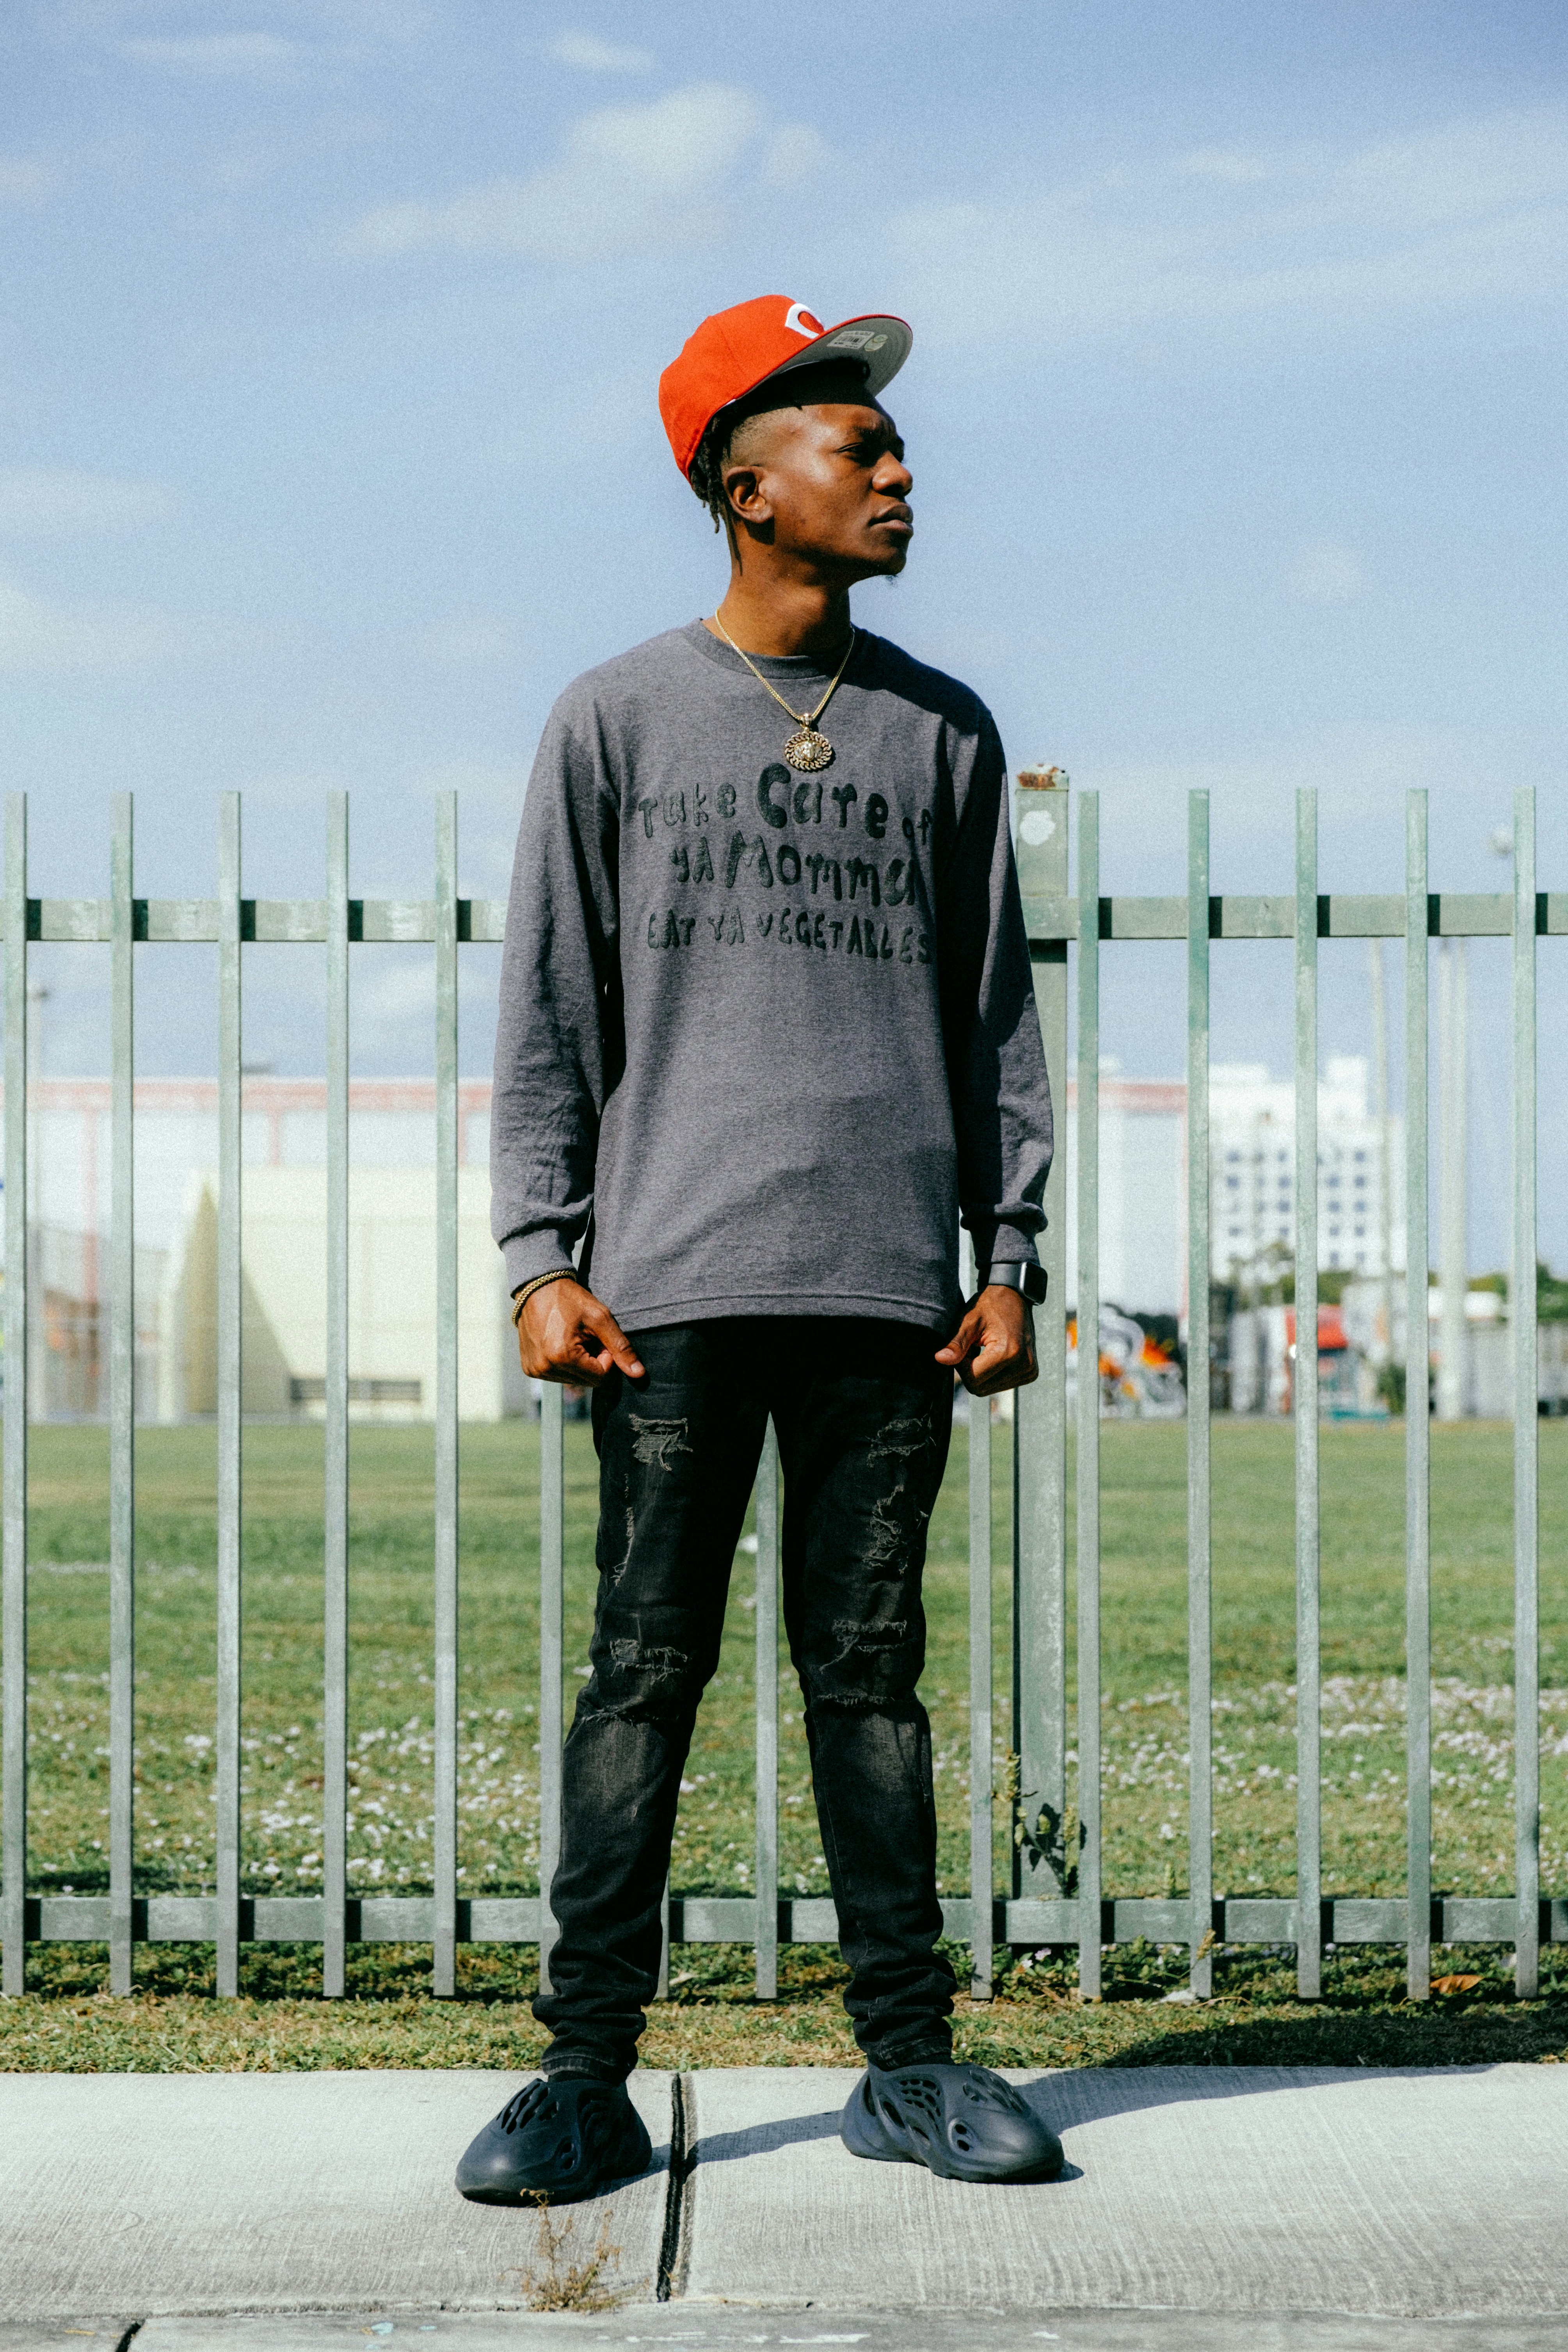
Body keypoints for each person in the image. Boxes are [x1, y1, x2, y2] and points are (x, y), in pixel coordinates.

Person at [457, 295, 1060, 2203]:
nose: (896, 467)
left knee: (867, 1677)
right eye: (852, 441)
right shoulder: (616, 715)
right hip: (668, 1294)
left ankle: (911, 2061)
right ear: (744, 484)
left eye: (891, 441)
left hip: (889, 1287)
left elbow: (994, 1016)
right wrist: (541, 1252)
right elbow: (552, 1004)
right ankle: (581, 2076)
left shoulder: (940, 727)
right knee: (643, 1671)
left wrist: (1014, 1246)